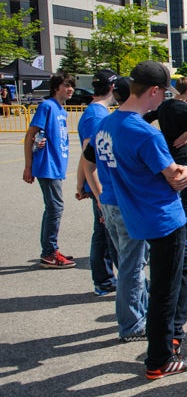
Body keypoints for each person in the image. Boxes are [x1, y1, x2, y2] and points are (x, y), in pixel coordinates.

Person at [94, 61, 187, 379]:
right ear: (153, 91)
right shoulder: (143, 133)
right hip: (162, 216)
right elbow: (176, 178)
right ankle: (161, 356)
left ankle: (166, 345)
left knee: (173, 275)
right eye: (162, 94)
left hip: (133, 212)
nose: (163, 101)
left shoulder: (107, 126)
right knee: (167, 287)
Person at [84, 76, 149, 342]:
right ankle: (133, 324)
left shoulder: (105, 124)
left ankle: (138, 314)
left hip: (110, 201)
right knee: (132, 267)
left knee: (129, 264)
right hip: (126, 205)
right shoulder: (129, 127)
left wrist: (98, 195)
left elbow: (87, 163)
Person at [145, 76, 187, 254]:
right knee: (186, 199)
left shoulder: (164, 106)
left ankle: (166, 234)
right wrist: (186, 134)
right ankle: (185, 239)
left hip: (165, 156)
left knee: (167, 196)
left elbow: (145, 118)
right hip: (183, 156)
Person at [23, 72, 76, 268]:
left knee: (54, 208)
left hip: (56, 165)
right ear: (56, 88)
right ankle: (49, 252)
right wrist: (28, 166)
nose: (70, 89)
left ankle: (50, 249)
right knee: (55, 208)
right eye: (65, 85)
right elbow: (30, 135)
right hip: (47, 165)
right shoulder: (47, 106)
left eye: (71, 85)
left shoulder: (62, 110)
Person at [75, 69, 119, 295]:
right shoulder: (97, 116)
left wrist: (79, 184)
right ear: (112, 88)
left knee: (104, 233)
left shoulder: (97, 113)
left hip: (98, 184)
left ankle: (106, 280)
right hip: (101, 185)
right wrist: (98, 193)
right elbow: (88, 156)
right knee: (105, 234)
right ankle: (104, 281)